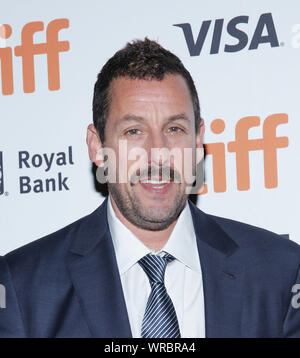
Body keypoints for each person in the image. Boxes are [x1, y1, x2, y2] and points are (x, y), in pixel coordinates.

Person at [0, 38, 300, 338]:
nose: (158, 153)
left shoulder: (281, 273)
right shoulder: (22, 288)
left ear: (197, 142)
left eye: (174, 129)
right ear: (97, 146)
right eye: (134, 131)